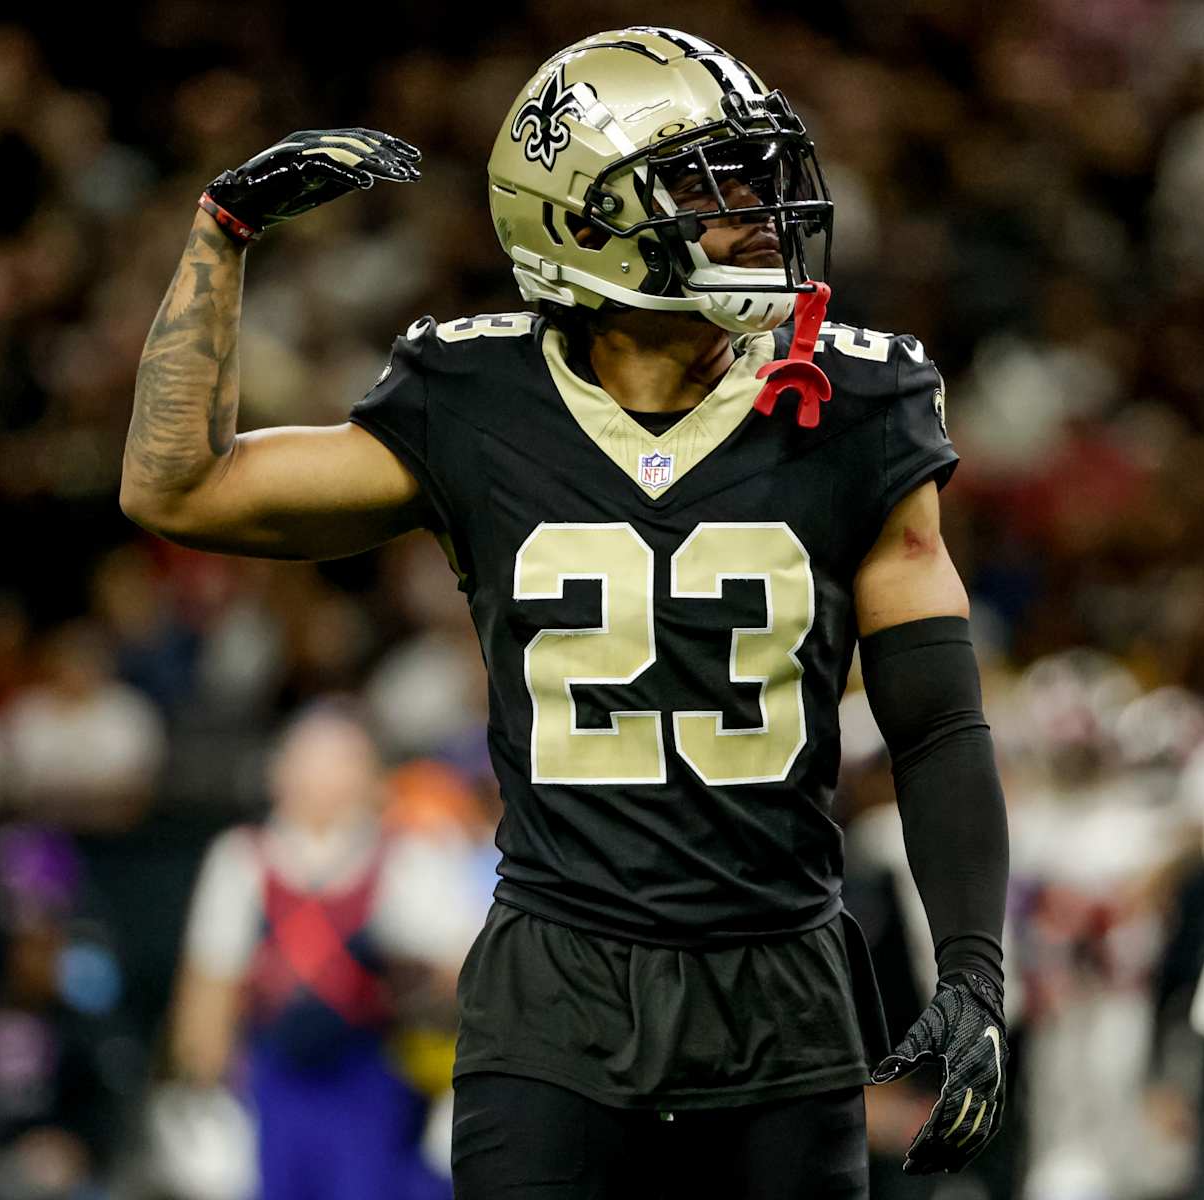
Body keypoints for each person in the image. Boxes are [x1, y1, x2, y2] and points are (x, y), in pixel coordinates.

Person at [121, 27, 1010, 1198]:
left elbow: (936, 724)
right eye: (705, 184)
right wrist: (221, 234)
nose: (758, 211)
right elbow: (177, 487)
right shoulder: (475, 399)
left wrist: (974, 968)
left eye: (756, 175)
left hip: (782, 994)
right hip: (555, 1000)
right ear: (585, 223)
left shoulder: (857, 403)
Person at [170, 704, 471, 1200]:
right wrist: (201, 1088)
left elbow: (457, 974)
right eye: (311, 762)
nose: (325, 780)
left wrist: (413, 971)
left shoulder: (407, 858)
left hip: (374, 1078)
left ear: (373, 778)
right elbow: (208, 985)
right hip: (275, 1078)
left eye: (343, 763)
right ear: (279, 773)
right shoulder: (242, 859)